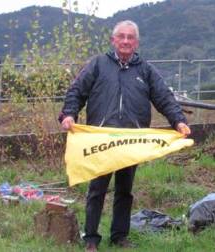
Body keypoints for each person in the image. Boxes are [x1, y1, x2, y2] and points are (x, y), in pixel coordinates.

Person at [59, 20, 191, 252]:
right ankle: (91, 238)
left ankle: (119, 236)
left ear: (136, 42)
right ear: (113, 40)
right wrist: (69, 114)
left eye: (130, 37)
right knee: (97, 189)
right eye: (121, 36)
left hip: (132, 141)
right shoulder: (98, 64)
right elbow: (76, 91)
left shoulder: (146, 70)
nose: (126, 41)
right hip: (101, 140)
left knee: (125, 190)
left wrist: (179, 121)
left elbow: (164, 97)